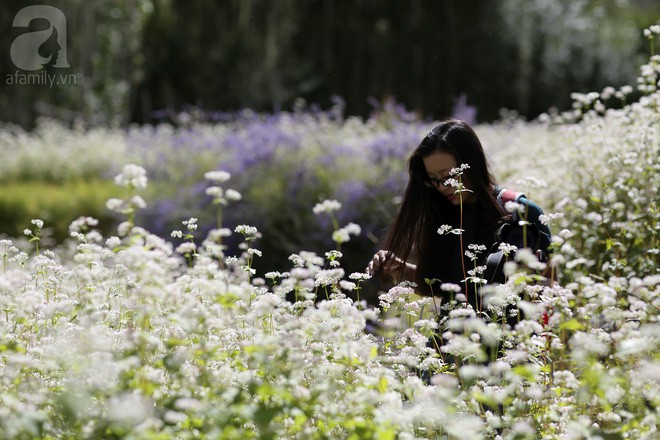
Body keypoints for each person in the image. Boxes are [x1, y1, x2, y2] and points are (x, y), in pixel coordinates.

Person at [366, 118, 551, 314]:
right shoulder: (443, 214)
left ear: (471, 163)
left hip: (508, 338)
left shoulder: (520, 211)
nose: (443, 187)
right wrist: (401, 268)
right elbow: (443, 287)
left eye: (449, 176)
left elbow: (549, 291)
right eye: (434, 180)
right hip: (454, 336)